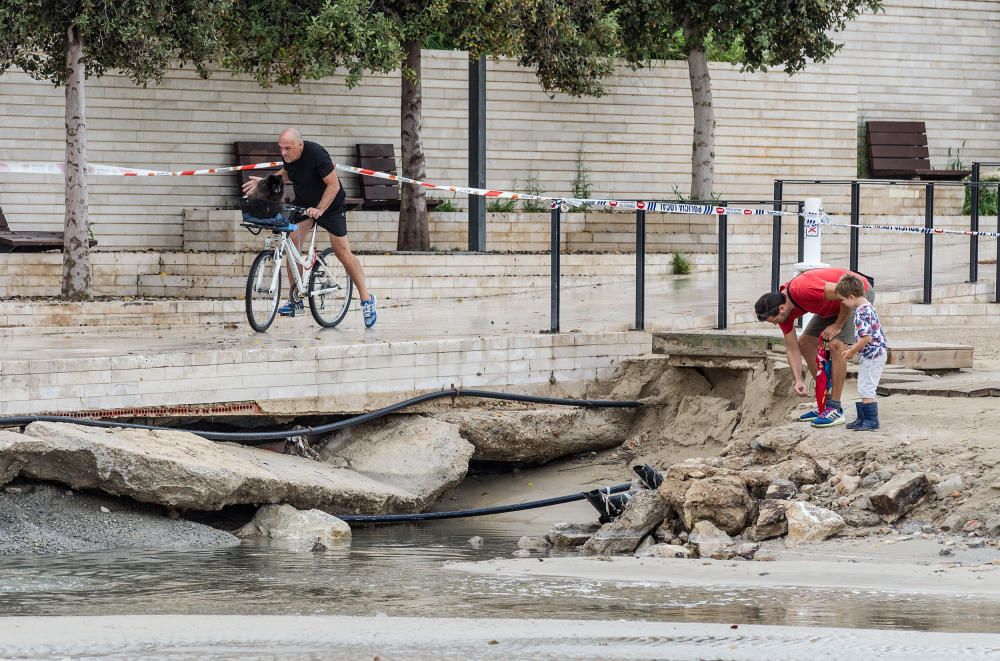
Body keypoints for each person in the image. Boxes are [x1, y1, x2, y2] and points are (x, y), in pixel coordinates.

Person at [242, 128, 377, 327]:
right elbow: (286, 174)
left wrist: (320, 209)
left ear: (300, 145)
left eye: (288, 148)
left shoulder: (317, 154)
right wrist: (265, 182)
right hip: (305, 204)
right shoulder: (290, 158)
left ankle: (367, 299)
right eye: (281, 148)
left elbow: (334, 186)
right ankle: (296, 299)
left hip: (330, 206)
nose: (284, 153)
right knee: (292, 243)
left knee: (342, 252)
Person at [754, 267, 874, 428]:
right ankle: (825, 400)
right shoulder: (784, 313)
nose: (776, 323)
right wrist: (798, 379)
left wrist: (838, 325)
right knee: (805, 343)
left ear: (781, 309)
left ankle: (835, 408)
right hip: (832, 305)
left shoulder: (802, 289)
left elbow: (847, 293)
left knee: (836, 345)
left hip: (857, 293)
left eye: (774, 320)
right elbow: (792, 349)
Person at [835, 274, 887, 431]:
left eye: (843, 300)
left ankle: (871, 421)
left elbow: (866, 338)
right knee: (863, 385)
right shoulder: (868, 307)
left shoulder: (861, 312)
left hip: (873, 355)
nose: (843, 303)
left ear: (851, 297)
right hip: (874, 354)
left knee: (866, 387)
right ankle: (862, 418)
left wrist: (851, 350)